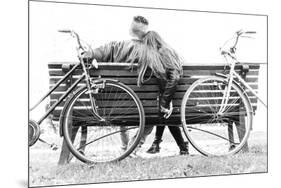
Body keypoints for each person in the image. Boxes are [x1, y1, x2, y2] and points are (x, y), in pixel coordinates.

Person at [81, 15, 189, 155]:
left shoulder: (116, 47)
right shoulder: (154, 53)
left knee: (121, 101)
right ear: (145, 32)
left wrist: (88, 55)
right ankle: (133, 147)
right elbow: (169, 76)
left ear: (130, 31)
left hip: (114, 105)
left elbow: (91, 54)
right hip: (146, 107)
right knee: (150, 114)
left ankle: (126, 148)